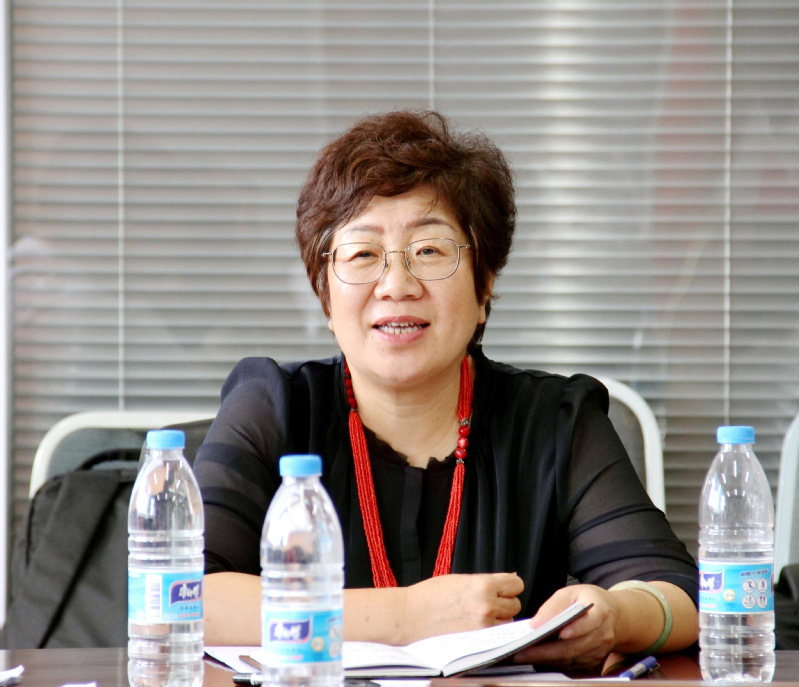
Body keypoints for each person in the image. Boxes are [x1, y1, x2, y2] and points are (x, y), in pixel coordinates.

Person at [194, 109, 698, 671]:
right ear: (325, 296)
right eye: (363, 254)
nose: (396, 284)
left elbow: (682, 594)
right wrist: (408, 615)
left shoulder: (554, 421)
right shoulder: (274, 407)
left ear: (485, 287)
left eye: (430, 251)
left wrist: (616, 615)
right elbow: (179, 597)